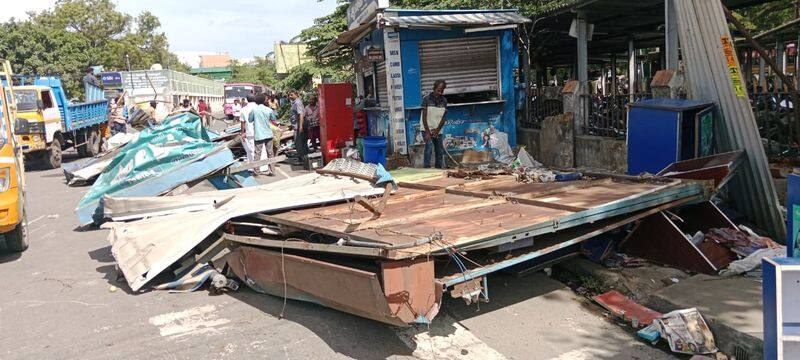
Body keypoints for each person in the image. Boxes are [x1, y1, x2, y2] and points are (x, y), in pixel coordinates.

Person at [421, 80, 447, 169]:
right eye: (438, 90)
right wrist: (428, 132)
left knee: (439, 151)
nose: (440, 93)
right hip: (426, 129)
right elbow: (424, 117)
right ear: (434, 88)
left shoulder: (444, 101)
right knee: (429, 148)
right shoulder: (426, 99)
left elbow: (443, 118)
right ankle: (426, 169)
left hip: (438, 129)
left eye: (442, 91)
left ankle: (438, 170)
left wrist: (438, 130)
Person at [249, 93, 276, 176]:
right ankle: (272, 171)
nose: (267, 100)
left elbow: (250, 119)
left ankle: (256, 171)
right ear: (264, 101)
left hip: (259, 134)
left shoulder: (254, 110)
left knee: (257, 153)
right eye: (266, 99)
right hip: (268, 134)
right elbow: (273, 119)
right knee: (270, 153)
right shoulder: (269, 110)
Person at [289, 90, 307, 163]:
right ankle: (303, 158)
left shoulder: (297, 103)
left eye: (291, 94)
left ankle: (302, 159)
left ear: (296, 95)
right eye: (289, 95)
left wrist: (300, 127)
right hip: (296, 125)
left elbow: (301, 115)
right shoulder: (295, 102)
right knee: (300, 142)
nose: (290, 96)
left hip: (298, 125)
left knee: (298, 143)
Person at [240, 94, 257, 163]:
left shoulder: (244, 109)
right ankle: (262, 167)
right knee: (260, 150)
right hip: (260, 132)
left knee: (251, 150)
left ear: (247, 100)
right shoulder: (259, 107)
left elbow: (242, 122)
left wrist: (242, 132)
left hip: (249, 132)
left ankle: (252, 167)